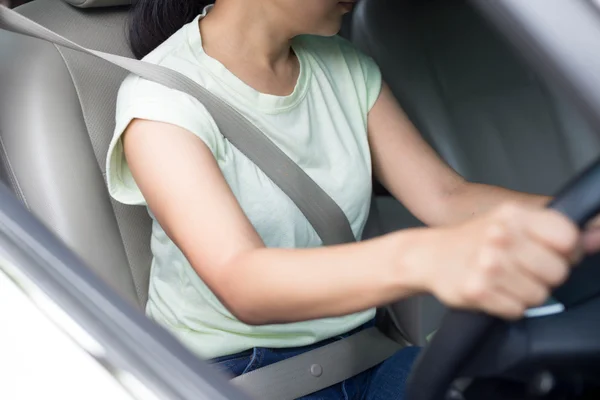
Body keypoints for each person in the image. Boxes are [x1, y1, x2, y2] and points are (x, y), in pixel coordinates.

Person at [105, 0, 600, 398]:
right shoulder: (161, 100)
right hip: (242, 374)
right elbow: (243, 281)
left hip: (364, 352)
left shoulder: (344, 65)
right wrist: (425, 257)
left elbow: (447, 198)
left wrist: (577, 220)